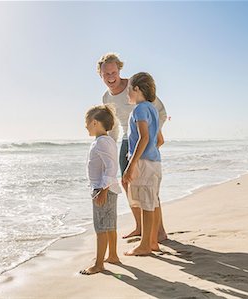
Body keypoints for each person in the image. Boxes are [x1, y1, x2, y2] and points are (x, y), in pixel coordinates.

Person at [97, 52, 167, 241]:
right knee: (127, 182)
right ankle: (140, 227)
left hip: (144, 138)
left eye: (113, 72)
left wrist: (154, 136)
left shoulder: (134, 87)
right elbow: (113, 126)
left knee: (148, 186)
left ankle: (159, 232)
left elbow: (160, 111)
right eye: (106, 74)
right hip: (128, 140)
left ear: (119, 70)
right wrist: (107, 146)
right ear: (100, 75)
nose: (110, 77)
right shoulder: (106, 97)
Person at [123, 72, 162, 256]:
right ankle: (152, 242)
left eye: (129, 89)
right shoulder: (152, 108)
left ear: (137, 89)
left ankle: (145, 245)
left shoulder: (139, 109)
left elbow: (144, 137)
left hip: (144, 163)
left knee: (146, 204)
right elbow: (159, 139)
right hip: (155, 161)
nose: (127, 94)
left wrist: (132, 164)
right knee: (152, 202)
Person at [80, 104, 121, 275]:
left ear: (95, 122)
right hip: (108, 188)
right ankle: (112, 255)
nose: (85, 126)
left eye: (87, 123)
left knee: (101, 228)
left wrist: (103, 190)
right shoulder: (107, 140)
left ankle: (98, 264)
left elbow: (111, 167)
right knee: (110, 225)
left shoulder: (102, 142)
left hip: (102, 190)